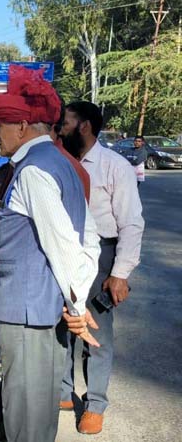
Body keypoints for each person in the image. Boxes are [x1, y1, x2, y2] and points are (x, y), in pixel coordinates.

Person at [0, 65, 101, 442]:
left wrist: (78, 306)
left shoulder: (34, 170)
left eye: (0, 124)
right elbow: (89, 237)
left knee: (25, 412)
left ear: (21, 127)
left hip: (27, 313)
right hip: (40, 307)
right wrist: (76, 299)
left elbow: (63, 244)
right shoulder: (61, 163)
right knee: (37, 407)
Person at [59, 101, 145, 435]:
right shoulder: (61, 161)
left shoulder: (114, 166)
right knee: (63, 324)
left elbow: (132, 223)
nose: (61, 127)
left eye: (66, 122)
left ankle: (95, 404)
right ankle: (63, 391)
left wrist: (120, 273)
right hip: (65, 254)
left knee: (95, 332)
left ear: (84, 126)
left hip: (101, 259)